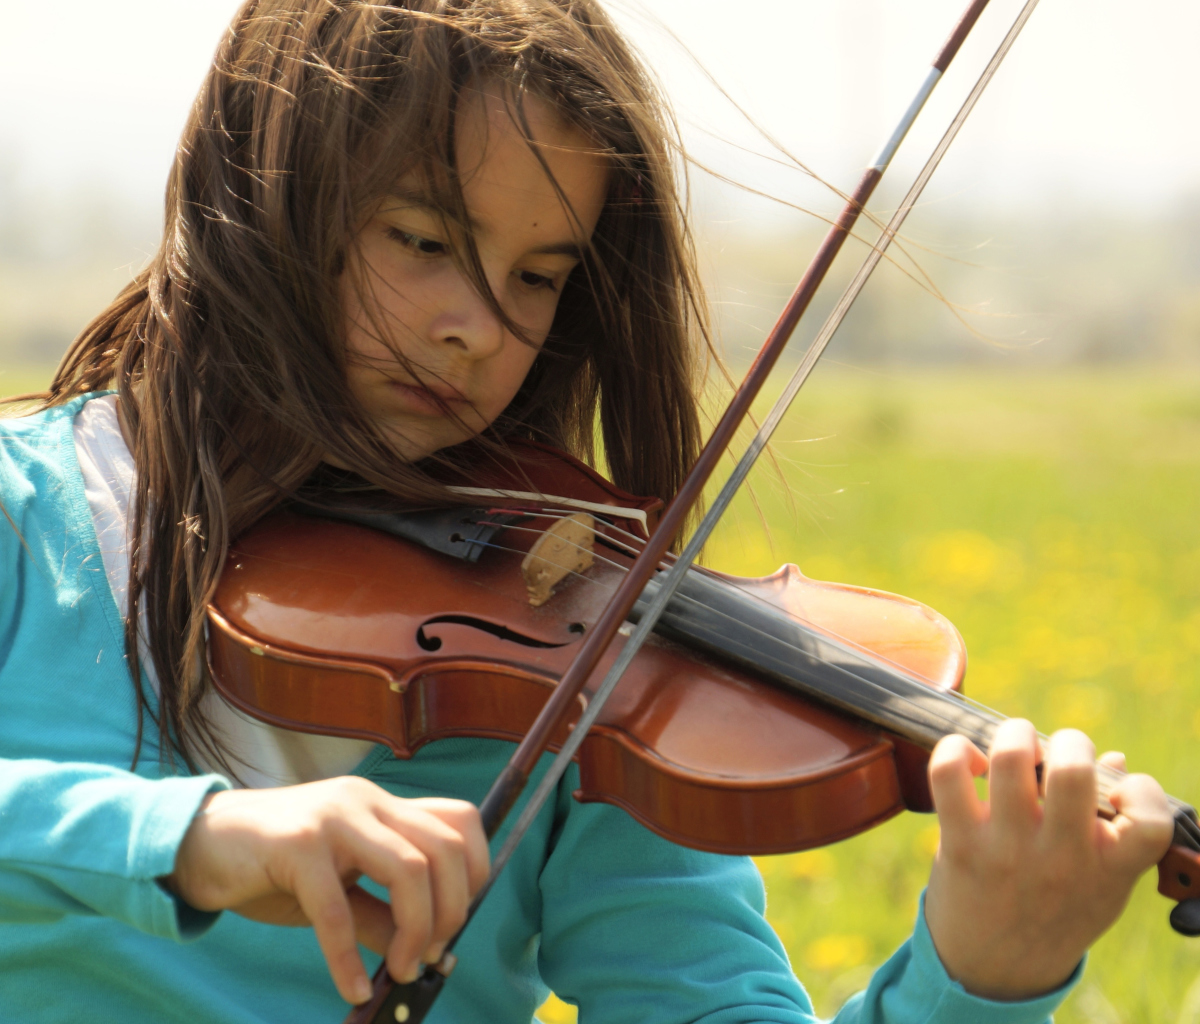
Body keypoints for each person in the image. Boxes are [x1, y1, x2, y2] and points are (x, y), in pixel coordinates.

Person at [0, 1, 1175, 1021]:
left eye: (537, 275)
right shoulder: (24, 511)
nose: (480, 327)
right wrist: (190, 842)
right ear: (263, 190)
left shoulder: (586, 662)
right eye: (421, 240)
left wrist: (978, 978)